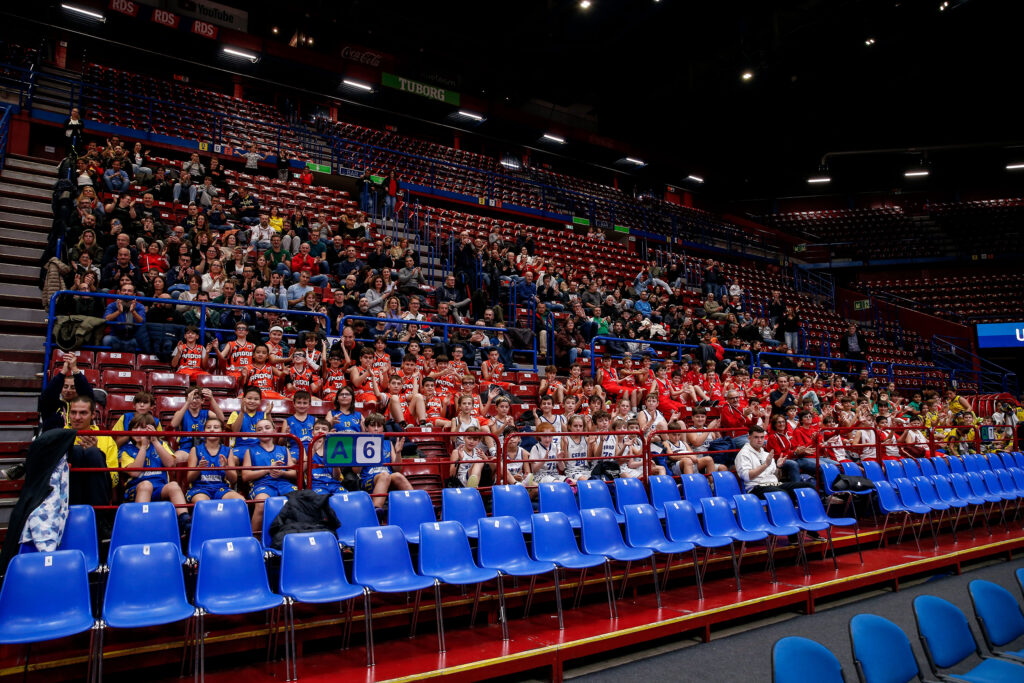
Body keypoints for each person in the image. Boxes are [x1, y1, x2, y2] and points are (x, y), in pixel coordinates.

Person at [119, 414, 191, 531]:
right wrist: (143, 447)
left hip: (159, 487)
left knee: (173, 485)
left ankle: (185, 521)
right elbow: (134, 473)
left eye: (143, 428)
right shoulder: (126, 450)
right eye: (135, 428)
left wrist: (155, 441)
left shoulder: (161, 445)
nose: (138, 431)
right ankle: (140, 524)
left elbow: (170, 464)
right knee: (146, 485)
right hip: (137, 488)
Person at [242, 418, 297, 532]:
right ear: (256, 433)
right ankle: (255, 538)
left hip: (283, 484)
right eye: (259, 429)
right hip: (261, 485)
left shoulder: (283, 449)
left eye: (267, 428)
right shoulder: (250, 451)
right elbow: (245, 476)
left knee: (299, 500)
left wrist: (282, 472)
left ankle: (296, 534)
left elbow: (294, 473)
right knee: (262, 504)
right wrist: (267, 470)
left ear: (274, 430)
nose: (264, 431)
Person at [734, 425, 816, 499]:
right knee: (782, 494)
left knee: (808, 487)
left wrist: (778, 467)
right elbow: (747, 476)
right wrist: (765, 465)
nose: (759, 440)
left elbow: (776, 476)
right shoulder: (743, 454)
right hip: (756, 487)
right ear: (749, 438)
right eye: (756, 437)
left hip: (774, 484)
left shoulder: (766, 454)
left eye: (762, 437)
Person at [357, 412, 411, 511]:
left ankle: (417, 504)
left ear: (383, 428)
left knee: (398, 475)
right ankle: (376, 509)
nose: (376, 429)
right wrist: (361, 454)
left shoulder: (388, 443)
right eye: (372, 426)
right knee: (384, 475)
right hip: (368, 479)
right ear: (366, 428)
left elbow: (397, 468)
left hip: (388, 477)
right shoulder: (360, 443)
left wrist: (398, 452)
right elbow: (355, 471)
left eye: (379, 426)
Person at [185, 417, 244, 503]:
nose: (212, 430)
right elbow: (189, 478)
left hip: (221, 489)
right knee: (203, 503)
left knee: (241, 501)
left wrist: (226, 467)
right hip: (200, 489)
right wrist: (199, 468)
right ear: (204, 431)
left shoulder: (228, 450)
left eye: (216, 427)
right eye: (208, 427)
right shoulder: (195, 450)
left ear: (222, 431)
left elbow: (234, 479)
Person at [38, 351, 95, 433]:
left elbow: (87, 394)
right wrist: (63, 372)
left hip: (78, 439)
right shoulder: (52, 405)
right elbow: (47, 395)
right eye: (65, 387)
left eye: (73, 387)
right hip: (55, 440)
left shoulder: (83, 406)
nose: (68, 390)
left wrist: (74, 369)